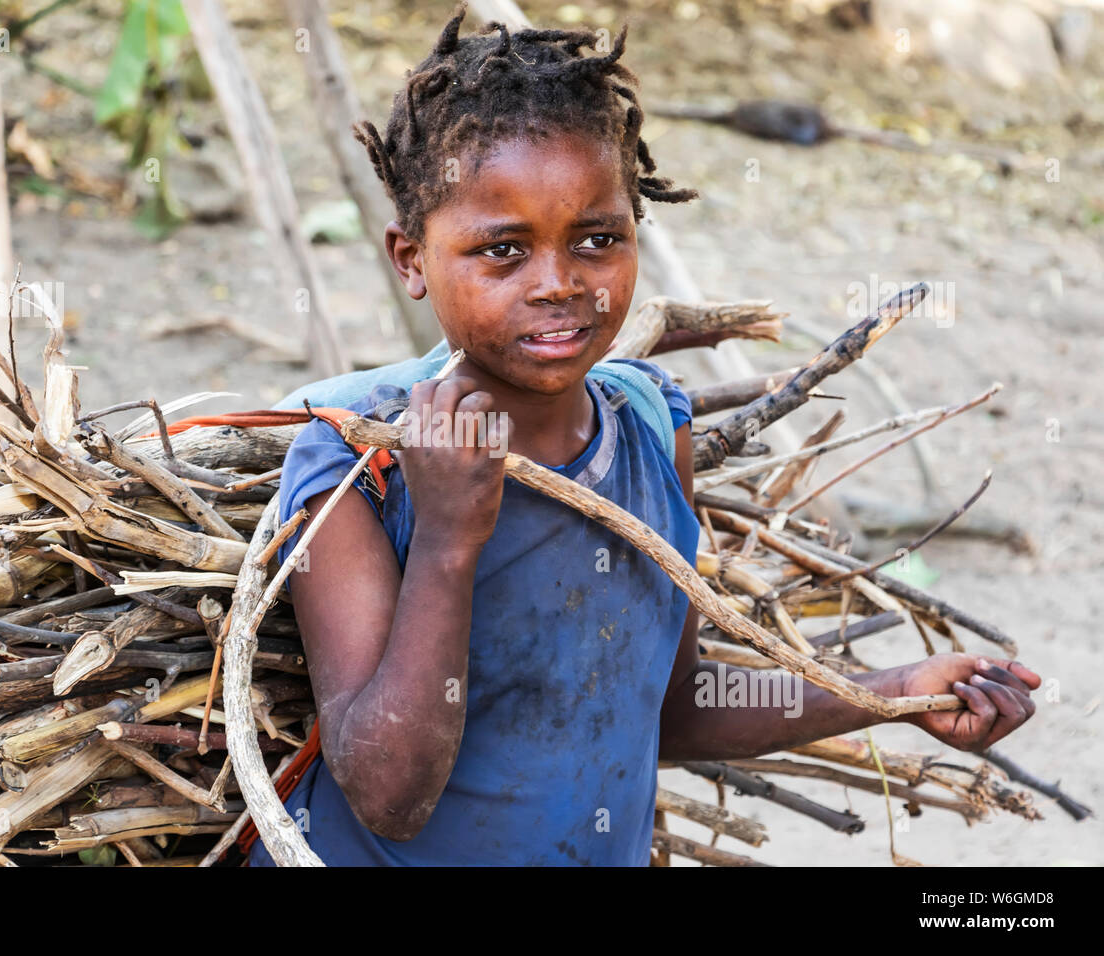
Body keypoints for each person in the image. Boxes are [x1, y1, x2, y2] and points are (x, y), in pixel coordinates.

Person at [247, 4, 1039, 866]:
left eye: (597, 240)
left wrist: (890, 693)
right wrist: (444, 541)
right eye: (502, 250)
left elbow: (673, 705)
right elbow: (388, 794)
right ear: (410, 259)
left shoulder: (655, 431)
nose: (558, 284)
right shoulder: (358, 456)